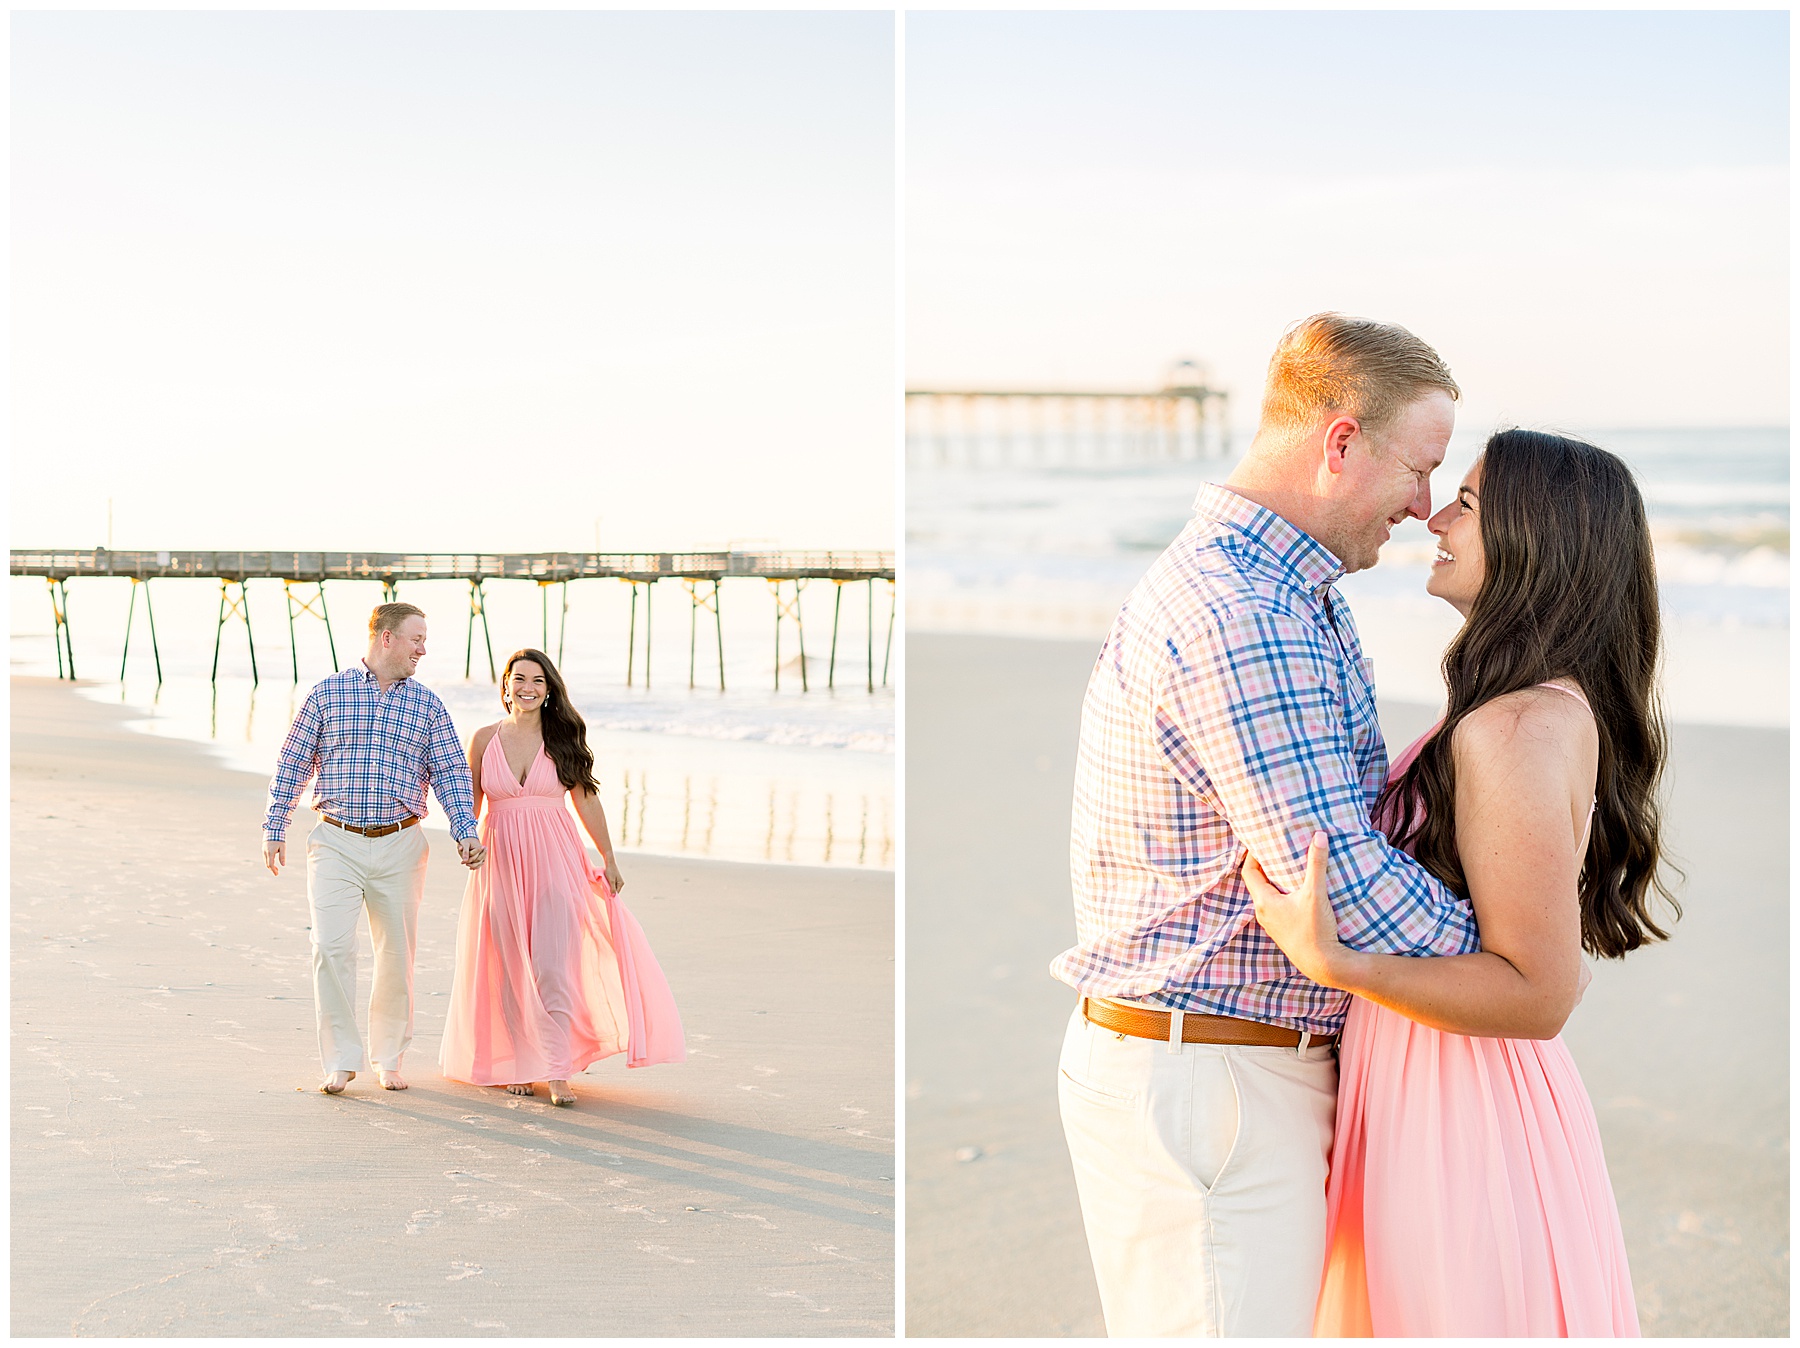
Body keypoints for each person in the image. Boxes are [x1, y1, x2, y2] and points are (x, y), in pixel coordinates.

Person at [1049, 313, 1486, 1337]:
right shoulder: (1245, 611)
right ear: (1341, 443)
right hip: (1211, 1083)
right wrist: (1511, 958)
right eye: (1421, 468)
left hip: (1225, 1071)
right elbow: (1344, 888)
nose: (1427, 506)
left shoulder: (1289, 592)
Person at [1243, 429, 1674, 1336]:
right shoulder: (1524, 711)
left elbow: (1540, 990)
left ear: (1535, 538)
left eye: (1468, 504)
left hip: (1457, 1111)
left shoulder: (1517, 726)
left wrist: (1340, 964)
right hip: (1439, 1082)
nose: (1433, 517)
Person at [439, 648, 684, 1105]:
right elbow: (466, 801)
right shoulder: (483, 738)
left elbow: (586, 800)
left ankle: (556, 1069)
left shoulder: (562, 736)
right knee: (510, 965)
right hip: (501, 861)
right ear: (505, 684)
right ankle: (519, 1060)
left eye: (538, 681)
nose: (527, 688)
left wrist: (609, 858)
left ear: (549, 691)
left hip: (556, 859)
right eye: (519, 679)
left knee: (554, 965)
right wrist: (465, 840)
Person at [264, 602, 486, 1095]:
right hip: (335, 841)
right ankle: (341, 1059)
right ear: (386, 638)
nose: (423, 649)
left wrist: (465, 829)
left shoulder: (427, 705)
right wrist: (274, 826)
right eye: (416, 639)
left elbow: (450, 772)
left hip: (402, 844)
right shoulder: (326, 694)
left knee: (396, 955)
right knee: (330, 946)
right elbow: (292, 764)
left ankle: (389, 1057)